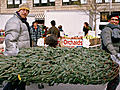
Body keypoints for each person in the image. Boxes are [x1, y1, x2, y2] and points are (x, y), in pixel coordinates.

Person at [3, 3, 32, 90]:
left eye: (27, 10)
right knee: (16, 80)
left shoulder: (22, 22)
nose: (25, 12)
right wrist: (15, 58)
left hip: (22, 57)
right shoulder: (14, 21)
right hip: (18, 58)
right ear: (18, 11)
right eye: (23, 10)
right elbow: (10, 41)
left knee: (18, 81)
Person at [101, 13, 120, 90]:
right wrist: (114, 54)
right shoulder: (107, 30)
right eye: (112, 19)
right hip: (110, 56)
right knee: (115, 78)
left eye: (116, 20)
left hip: (116, 56)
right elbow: (107, 42)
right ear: (109, 20)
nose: (114, 21)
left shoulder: (118, 30)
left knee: (114, 78)